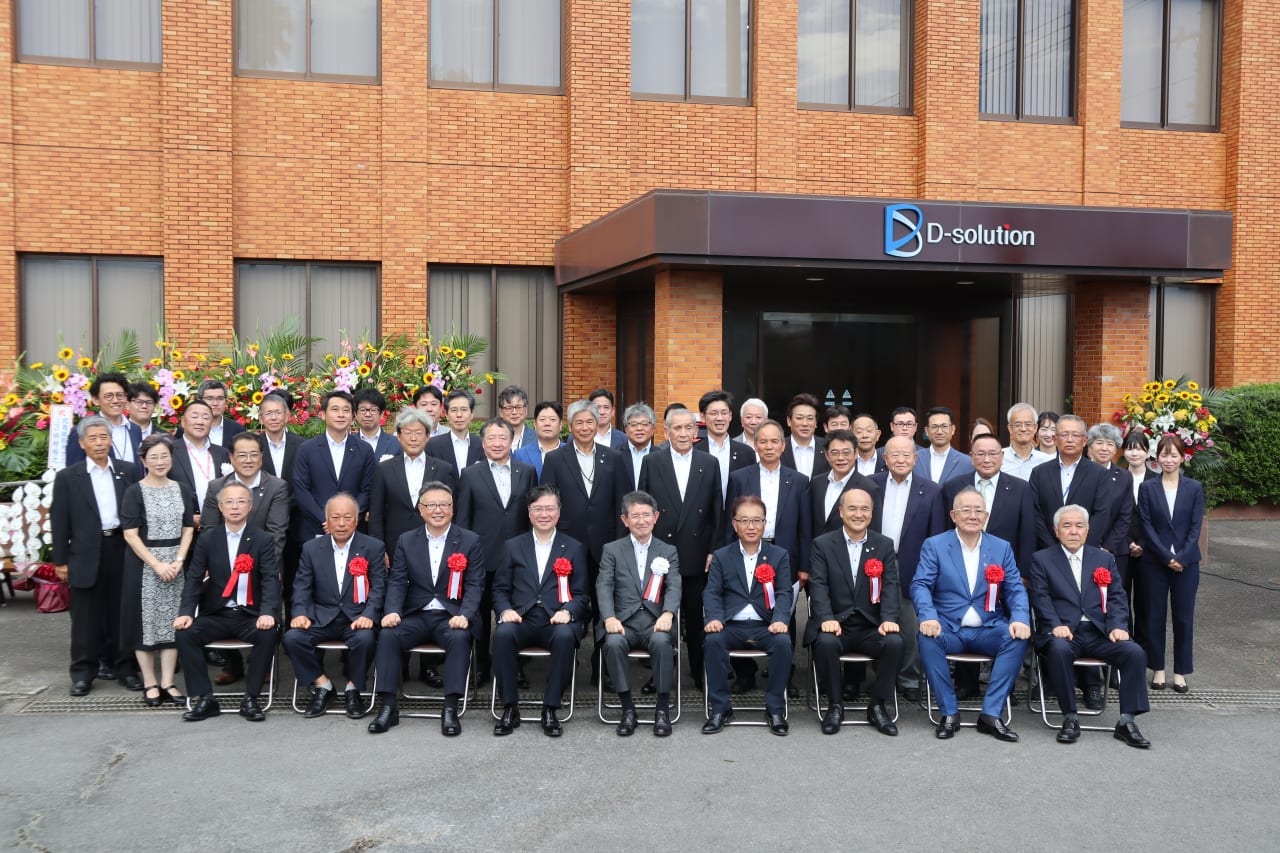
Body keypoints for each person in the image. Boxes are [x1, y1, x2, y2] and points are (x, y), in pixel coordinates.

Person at [911, 487, 1031, 742]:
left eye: (978, 510)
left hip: (988, 628)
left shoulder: (1001, 548)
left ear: (986, 516)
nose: (973, 516)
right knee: (927, 638)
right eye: (966, 510)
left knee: (1016, 638)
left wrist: (1020, 618)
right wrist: (928, 616)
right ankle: (949, 713)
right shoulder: (935, 545)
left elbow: (1015, 589)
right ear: (953, 515)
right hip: (948, 628)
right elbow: (920, 584)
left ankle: (991, 714)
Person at [1027, 504, 1151, 748]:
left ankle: (1127, 721)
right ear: (1056, 530)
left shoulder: (1104, 558)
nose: (1073, 531)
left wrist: (1117, 625)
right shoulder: (1042, 559)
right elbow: (1040, 598)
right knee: (1058, 650)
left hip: (1099, 633)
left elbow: (1116, 596)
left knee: (1134, 652)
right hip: (1064, 633)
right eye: (1067, 526)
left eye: (1079, 526)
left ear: (1087, 530)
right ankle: (1069, 717)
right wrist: (1054, 624)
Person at [368, 481, 485, 737]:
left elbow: (475, 584)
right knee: (388, 635)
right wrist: (392, 611)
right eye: (431, 505)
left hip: (451, 616)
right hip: (417, 614)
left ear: (452, 508)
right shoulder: (406, 540)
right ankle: (388, 706)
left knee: (459, 638)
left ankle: (450, 708)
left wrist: (465, 614)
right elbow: (397, 580)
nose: (438, 510)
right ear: (421, 509)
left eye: (444, 504)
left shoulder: (469, 540)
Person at [942, 432, 1037, 701]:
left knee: (1005, 627)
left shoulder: (1020, 488)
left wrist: (1024, 572)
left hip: (1005, 572)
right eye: (980, 453)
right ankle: (966, 683)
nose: (987, 459)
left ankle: (1004, 686)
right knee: (967, 620)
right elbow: (943, 530)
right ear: (971, 457)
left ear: (1002, 456)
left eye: (993, 453)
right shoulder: (953, 486)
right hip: (962, 568)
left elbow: (1027, 531)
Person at [174, 482, 281, 722]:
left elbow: (270, 579)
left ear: (250, 506)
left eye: (241, 501)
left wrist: (268, 612)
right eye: (229, 502)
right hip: (217, 613)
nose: (235, 507)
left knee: (268, 633)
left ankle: (251, 698)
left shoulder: (263, 539)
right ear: (220, 507)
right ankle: (205, 698)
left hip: (250, 614)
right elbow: (194, 578)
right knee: (185, 634)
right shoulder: (208, 539)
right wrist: (186, 612)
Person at [51, 416, 143, 695]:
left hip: (121, 548)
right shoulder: (69, 477)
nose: (100, 443)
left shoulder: (127, 471)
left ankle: (126, 668)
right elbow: (59, 521)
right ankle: (83, 673)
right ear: (82, 443)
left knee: (122, 613)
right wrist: (60, 561)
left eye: (104, 437)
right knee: (85, 618)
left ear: (111, 440)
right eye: (93, 438)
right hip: (84, 553)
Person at [539, 401, 629, 681]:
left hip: (606, 544)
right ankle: (567, 662)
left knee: (605, 606)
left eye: (590, 421)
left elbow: (623, 504)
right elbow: (547, 503)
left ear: (598, 423)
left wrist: (620, 543)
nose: (585, 427)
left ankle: (603, 666)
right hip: (567, 545)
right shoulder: (555, 458)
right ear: (570, 426)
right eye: (579, 422)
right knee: (567, 603)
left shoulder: (614, 457)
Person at [491, 485, 589, 737]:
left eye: (549, 508)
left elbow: (581, 594)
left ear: (559, 511)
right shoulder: (513, 546)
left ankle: (550, 708)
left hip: (556, 618)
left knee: (565, 636)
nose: (544, 514)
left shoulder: (574, 547)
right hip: (521, 617)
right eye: (538, 509)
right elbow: (500, 589)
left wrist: (568, 611)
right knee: (502, 635)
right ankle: (509, 708)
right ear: (529, 512)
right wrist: (505, 611)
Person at [723, 418, 811, 696]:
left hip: (784, 554)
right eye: (763, 441)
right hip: (746, 550)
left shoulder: (799, 480)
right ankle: (745, 674)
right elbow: (729, 520)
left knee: (784, 613)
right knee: (742, 609)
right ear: (755, 445)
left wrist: (804, 565)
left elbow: (805, 526)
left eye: (775, 441)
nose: (769, 446)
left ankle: (782, 673)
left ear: (783, 446)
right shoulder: (740, 477)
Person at [806, 487, 903, 735]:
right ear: (841, 512)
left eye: (864, 509)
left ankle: (877, 706)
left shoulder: (883, 545)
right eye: (852, 508)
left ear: (871, 513)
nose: (858, 514)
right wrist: (826, 618)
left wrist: (888, 619)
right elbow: (818, 586)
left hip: (871, 626)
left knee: (894, 643)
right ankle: (835, 705)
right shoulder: (822, 544)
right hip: (837, 624)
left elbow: (890, 586)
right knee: (825, 643)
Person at [638, 406, 723, 687]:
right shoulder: (652, 461)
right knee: (659, 616)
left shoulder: (709, 463)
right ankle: (661, 672)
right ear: (666, 432)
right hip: (660, 555)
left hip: (697, 552)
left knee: (696, 618)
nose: (684, 433)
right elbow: (643, 508)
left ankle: (699, 671)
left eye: (689, 428)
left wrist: (712, 550)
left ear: (696, 431)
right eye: (677, 428)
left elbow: (716, 511)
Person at [283, 493, 387, 720]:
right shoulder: (311, 548)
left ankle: (353, 689)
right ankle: (323, 685)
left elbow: (379, 587)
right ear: (327, 521)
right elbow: (302, 586)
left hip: (357, 618)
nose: (341, 523)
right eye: (335, 517)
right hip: (321, 617)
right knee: (293, 638)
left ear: (356, 520)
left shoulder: (373, 547)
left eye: (347, 518)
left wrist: (369, 614)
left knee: (365, 639)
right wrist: (300, 613)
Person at [701, 495, 793, 735]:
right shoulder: (722, 556)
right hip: (731, 625)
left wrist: (780, 619)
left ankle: (775, 709)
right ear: (734, 524)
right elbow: (712, 592)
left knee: (783, 643)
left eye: (757, 520)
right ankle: (720, 709)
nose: (751, 526)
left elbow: (784, 592)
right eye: (744, 520)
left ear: (765, 523)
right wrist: (713, 618)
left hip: (766, 625)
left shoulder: (779, 555)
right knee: (712, 642)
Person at [456, 418, 537, 683]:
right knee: (480, 614)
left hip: (518, 558)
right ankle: (481, 664)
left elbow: (532, 516)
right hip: (482, 557)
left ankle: (515, 667)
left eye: (503, 438)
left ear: (512, 441)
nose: (497, 443)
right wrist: (463, 556)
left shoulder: (526, 471)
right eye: (491, 438)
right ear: (483, 442)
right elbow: (463, 519)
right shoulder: (470, 474)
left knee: (517, 613)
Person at [596, 491, 682, 737]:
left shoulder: (668, 550)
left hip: (655, 622)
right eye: (635, 516)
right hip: (623, 622)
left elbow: (674, 585)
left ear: (656, 517)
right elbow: (604, 585)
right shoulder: (612, 550)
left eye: (646, 515)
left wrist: (668, 613)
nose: (641, 521)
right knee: (613, 644)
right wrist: (609, 617)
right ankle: (628, 709)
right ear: (625, 520)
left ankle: (662, 710)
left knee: (662, 643)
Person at [120, 435, 195, 707]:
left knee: (173, 622)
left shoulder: (182, 488)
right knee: (145, 625)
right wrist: (157, 564)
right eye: (154, 457)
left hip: (176, 565)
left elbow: (188, 527)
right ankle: (150, 683)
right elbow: (130, 534)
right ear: (143, 461)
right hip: (144, 566)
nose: (160, 462)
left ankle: (168, 682)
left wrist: (178, 560)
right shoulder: (134, 492)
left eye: (165, 456)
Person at [870, 436, 946, 702]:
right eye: (895, 455)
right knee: (874, 618)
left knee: (910, 623)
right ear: (885, 458)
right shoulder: (870, 484)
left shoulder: (931, 490)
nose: (900, 460)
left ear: (915, 459)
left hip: (913, 564)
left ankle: (909, 678)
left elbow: (936, 534)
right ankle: (880, 675)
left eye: (906, 455)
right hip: (874, 563)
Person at [1137, 434, 1204, 694]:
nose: (1169, 460)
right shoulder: (1147, 488)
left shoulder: (1194, 488)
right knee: (1154, 617)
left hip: (1187, 563)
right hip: (1154, 561)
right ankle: (1158, 669)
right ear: (1157, 457)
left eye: (1174, 455)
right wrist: (1167, 557)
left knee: (1183, 618)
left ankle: (1180, 672)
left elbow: (1195, 526)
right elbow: (1146, 525)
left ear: (1182, 457)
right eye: (1164, 455)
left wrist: (1182, 558)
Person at [369, 408, 458, 556]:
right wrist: (379, 549)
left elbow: (453, 510)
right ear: (399, 436)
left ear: (427, 436)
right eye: (408, 433)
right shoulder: (384, 469)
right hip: (394, 545)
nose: (413, 438)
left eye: (418, 432)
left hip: (435, 543)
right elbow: (375, 514)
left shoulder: (444, 469)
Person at [291, 391, 377, 542]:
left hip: (354, 529)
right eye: (335, 409)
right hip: (316, 528)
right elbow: (301, 490)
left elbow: (368, 489)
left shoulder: (364, 450)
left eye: (346, 410)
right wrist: (327, 520)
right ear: (323, 415)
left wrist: (348, 518)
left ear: (353, 416)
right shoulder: (307, 449)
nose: (341, 415)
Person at [1029, 414, 1113, 551]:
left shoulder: (1099, 474)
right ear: (1055, 439)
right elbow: (1035, 514)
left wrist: (1080, 548)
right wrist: (1053, 549)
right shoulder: (1039, 473)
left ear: (1084, 440)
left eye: (1075, 435)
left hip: (1085, 551)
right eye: (1064, 434)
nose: (1069, 439)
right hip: (1047, 552)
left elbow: (1101, 515)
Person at [169, 400, 232, 525]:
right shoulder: (169, 451)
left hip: (217, 526)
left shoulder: (223, 453)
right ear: (183, 421)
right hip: (182, 527)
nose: (200, 421)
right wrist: (186, 518)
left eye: (206, 417)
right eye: (194, 416)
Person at [811, 428, 883, 535]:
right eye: (835, 453)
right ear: (827, 455)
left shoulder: (869, 488)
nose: (841, 458)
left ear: (856, 453)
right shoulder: (816, 483)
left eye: (846, 453)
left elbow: (874, 531)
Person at [1122, 430, 1157, 644]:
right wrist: (1127, 542)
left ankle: (1144, 649)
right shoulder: (1116, 478)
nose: (1134, 454)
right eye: (1129, 448)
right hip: (1121, 547)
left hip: (1148, 550)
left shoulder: (1156, 480)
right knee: (1121, 599)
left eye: (1139, 449)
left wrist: (1143, 543)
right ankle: (1125, 645)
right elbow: (1112, 515)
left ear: (1147, 452)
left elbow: (1159, 517)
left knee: (1146, 601)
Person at [64, 371, 142, 467]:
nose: (115, 400)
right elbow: (73, 470)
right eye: (108, 396)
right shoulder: (82, 430)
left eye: (120, 395)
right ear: (96, 400)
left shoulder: (135, 429)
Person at [696, 389, 754, 503]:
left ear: (730, 416)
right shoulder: (695, 452)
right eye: (714, 413)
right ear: (702, 417)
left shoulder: (746, 452)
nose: (720, 418)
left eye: (724, 413)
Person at [426, 389, 484, 476]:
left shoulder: (483, 444)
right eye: (454, 410)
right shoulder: (432, 445)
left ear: (472, 414)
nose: (459, 415)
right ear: (446, 415)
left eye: (464, 409)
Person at [175, 379, 245, 449]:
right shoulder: (186, 429)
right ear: (200, 401)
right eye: (209, 398)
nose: (215, 403)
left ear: (226, 402)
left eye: (220, 398)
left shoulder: (237, 429)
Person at [914, 406, 973, 484]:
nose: (939, 431)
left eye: (944, 426)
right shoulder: (915, 458)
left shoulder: (966, 462)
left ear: (953, 429)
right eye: (934, 427)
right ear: (927, 431)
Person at [780, 393, 828, 480]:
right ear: (789, 421)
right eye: (799, 418)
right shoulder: (778, 447)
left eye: (810, 418)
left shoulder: (827, 446)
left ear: (816, 422)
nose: (805, 423)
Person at [258, 391, 304, 482]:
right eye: (268, 413)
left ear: (287, 416)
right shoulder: (254, 445)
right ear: (261, 419)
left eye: (278, 413)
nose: (273, 418)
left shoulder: (302, 445)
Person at [512, 400, 564, 477]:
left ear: (560, 425)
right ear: (535, 424)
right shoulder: (520, 454)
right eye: (542, 419)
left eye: (552, 419)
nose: (547, 423)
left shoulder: (571, 453)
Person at [1002, 402, 1051, 480]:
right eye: (1018, 425)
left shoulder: (1047, 461)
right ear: (1010, 428)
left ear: (1035, 428)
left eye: (1028, 424)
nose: (1023, 429)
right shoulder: (998, 458)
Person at [615, 402, 656, 489]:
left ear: (653, 429)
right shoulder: (615, 454)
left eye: (645, 424)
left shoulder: (661, 456)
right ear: (625, 429)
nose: (639, 428)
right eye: (633, 424)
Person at [352, 388, 401, 459]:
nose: (368, 414)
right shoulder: (348, 443)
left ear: (381, 414)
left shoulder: (396, 443)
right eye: (362, 410)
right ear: (355, 414)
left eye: (373, 410)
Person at [496, 384, 537, 453]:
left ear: (526, 410)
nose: (514, 412)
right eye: (509, 408)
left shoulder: (537, 438)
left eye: (519, 407)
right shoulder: (492, 439)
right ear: (501, 412)